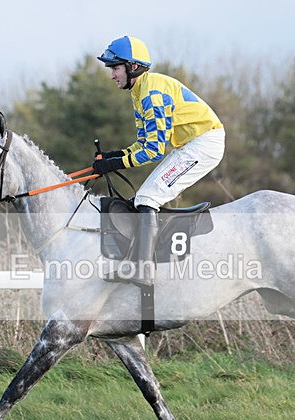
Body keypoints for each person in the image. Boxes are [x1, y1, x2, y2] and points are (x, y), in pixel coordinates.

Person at [93, 35, 225, 286]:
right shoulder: (140, 90)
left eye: (115, 68)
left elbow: (153, 151)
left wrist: (115, 164)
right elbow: (143, 143)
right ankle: (137, 261)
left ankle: (142, 269)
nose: (111, 75)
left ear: (133, 67)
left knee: (147, 198)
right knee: (143, 197)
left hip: (204, 144)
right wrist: (116, 155)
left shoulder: (151, 93)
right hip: (191, 144)